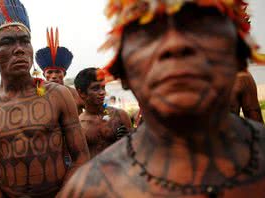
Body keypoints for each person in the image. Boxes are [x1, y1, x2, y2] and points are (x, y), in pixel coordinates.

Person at [59, 1, 265, 197]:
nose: (175, 44)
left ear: (239, 53)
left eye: (200, 25)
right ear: (123, 72)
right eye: (149, 32)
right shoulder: (90, 189)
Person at [0, 0, 90, 197]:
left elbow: (81, 157)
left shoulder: (58, 95)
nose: (19, 49)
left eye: (25, 41)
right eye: (7, 43)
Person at [74, 68, 132, 158]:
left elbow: (135, 148)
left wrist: (127, 138)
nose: (102, 92)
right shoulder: (79, 125)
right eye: (95, 88)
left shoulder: (120, 115)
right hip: (95, 171)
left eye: (103, 87)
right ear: (81, 93)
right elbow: (79, 159)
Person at [35, 27, 85, 114]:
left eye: (58, 72)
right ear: (44, 75)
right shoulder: (38, 95)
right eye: (50, 72)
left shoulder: (76, 94)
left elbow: (97, 111)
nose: (54, 76)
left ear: (64, 74)